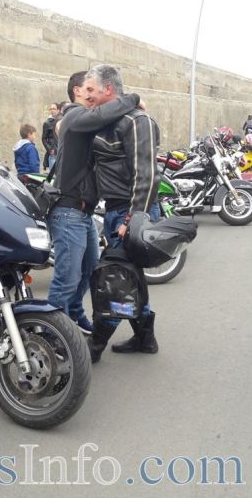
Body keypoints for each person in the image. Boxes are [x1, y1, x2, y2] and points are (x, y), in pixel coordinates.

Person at [48, 71, 142, 335]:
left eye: (94, 90)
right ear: (76, 91)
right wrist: (134, 98)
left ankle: (74, 316)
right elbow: (102, 114)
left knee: (89, 271)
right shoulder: (74, 115)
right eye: (87, 89)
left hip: (83, 214)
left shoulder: (82, 121)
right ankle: (50, 334)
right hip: (68, 212)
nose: (91, 95)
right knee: (66, 280)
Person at [83, 64, 161, 363]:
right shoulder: (106, 121)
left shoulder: (137, 121)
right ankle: (145, 338)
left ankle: (95, 345)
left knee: (115, 279)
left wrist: (133, 218)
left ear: (109, 89)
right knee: (131, 276)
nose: (86, 95)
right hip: (115, 211)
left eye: (91, 89)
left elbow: (147, 175)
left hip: (131, 212)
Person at [42, 103, 59, 170]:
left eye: (54, 109)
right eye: (51, 109)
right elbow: (44, 138)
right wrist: (49, 149)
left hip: (61, 151)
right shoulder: (47, 123)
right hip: (53, 152)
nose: (52, 110)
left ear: (58, 110)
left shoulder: (62, 120)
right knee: (52, 174)